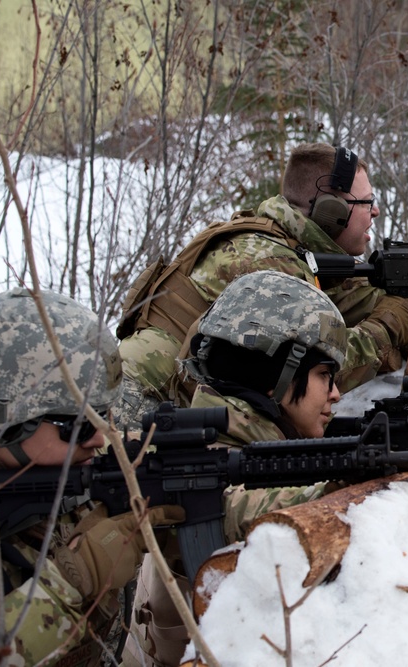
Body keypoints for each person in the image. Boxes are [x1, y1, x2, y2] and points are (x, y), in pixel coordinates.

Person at [116, 142, 408, 426]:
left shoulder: (288, 247)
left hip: (162, 397)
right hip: (138, 404)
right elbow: (308, 380)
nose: (376, 212)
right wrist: (389, 326)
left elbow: (362, 301)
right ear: (330, 211)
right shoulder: (269, 266)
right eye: (367, 202)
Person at [127, 270, 350, 666]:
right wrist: (337, 490)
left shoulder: (259, 445)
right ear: (275, 378)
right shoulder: (205, 456)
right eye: (324, 375)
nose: (336, 393)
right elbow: (237, 509)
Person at [0, 288, 183, 666]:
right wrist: (72, 581)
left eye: (102, 417)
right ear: (6, 423)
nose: (99, 438)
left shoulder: (69, 469)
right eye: (76, 425)